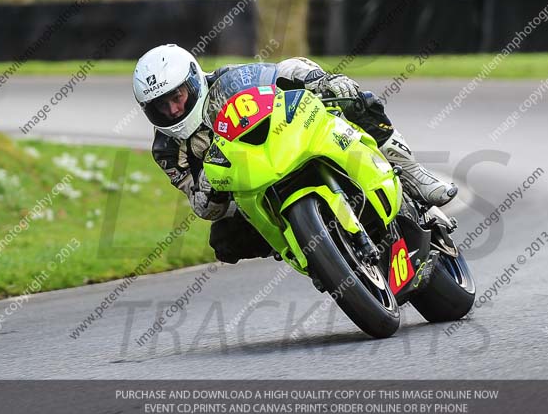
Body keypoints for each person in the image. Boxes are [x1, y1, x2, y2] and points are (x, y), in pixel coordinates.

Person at [132, 44, 457, 263]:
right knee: (224, 244)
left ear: (193, 81)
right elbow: (201, 206)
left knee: (358, 101)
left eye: (177, 96)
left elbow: (286, 69)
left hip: (292, 139)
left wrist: (324, 81)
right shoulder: (166, 149)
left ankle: (411, 172)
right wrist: (211, 185)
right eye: (161, 105)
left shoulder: (229, 80)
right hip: (250, 188)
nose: (173, 109)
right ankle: (309, 250)